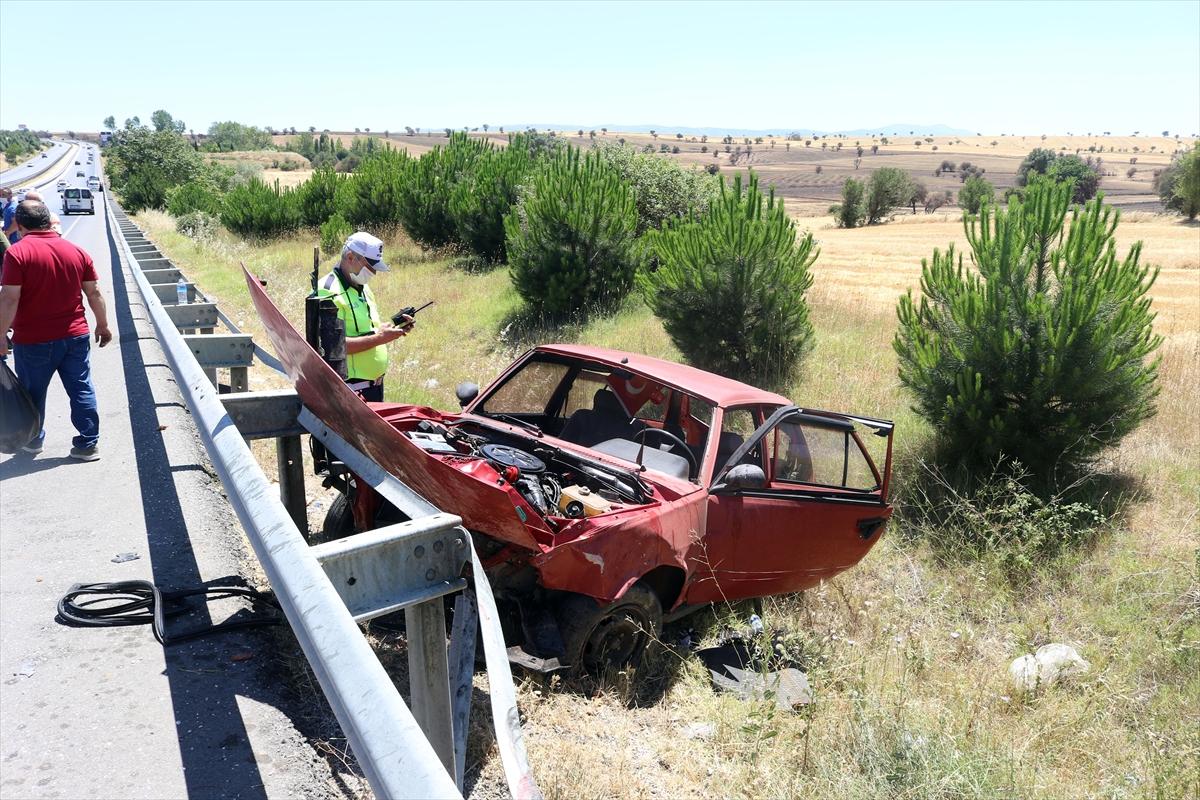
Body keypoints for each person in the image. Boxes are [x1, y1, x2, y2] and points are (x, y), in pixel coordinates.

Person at [0, 200, 112, 460]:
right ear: (48, 221)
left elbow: (9, 298)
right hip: (75, 336)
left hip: (34, 340)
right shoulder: (76, 251)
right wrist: (103, 325)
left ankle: (34, 441)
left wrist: (1, 335)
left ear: (19, 224)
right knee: (81, 388)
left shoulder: (17, 254)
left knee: (33, 393)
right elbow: (94, 292)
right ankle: (88, 444)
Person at [315, 231, 412, 401]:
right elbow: (333, 346)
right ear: (351, 257)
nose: (373, 273)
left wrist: (388, 328)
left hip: (374, 387)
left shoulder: (363, 286)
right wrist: (380, 338)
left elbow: (366, 329)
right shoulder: (327, 291)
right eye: (370, 267)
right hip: (351, 392)